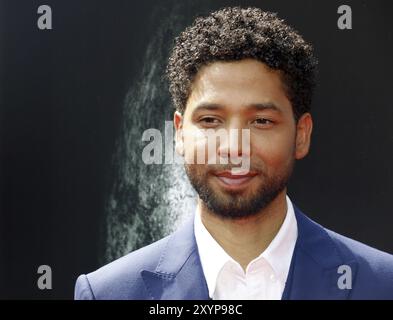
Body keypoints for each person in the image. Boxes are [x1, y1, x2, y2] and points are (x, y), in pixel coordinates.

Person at [75, 7, 393, 300]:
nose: (234, 148)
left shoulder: (381, 284)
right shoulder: (108, 293)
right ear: (180, 134)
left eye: (261, 121)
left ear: (301, 134)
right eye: (210, 120)